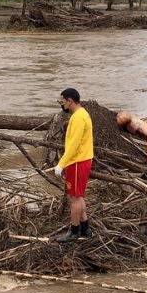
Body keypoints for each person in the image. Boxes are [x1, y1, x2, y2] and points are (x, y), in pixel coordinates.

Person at [54, 88, 94, 242]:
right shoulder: (83, 113)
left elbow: (74, 145)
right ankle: (85, 228)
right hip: (83, 159)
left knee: (74, 198)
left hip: (77, 161)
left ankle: (74, 231)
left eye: (62, 101)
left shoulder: (78, 118)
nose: (61, 104)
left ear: (70, 101)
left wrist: (61, 164)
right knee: (78, 195)